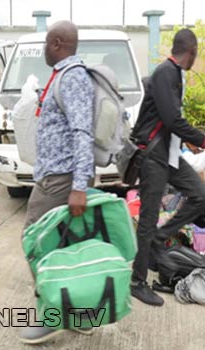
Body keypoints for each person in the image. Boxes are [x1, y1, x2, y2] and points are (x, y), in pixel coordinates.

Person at [19, 21, 95, 344]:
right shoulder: (63, 75)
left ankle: (52, 315)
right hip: (56, 176)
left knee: (37, 244)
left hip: (59, 181)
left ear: (58, 43)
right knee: (64, 247)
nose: (45, 49)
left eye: (48, 43)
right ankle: (77, 314)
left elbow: (82, 132)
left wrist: (79, 186)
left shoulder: (73, 76)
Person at [130, 28, 205, 306]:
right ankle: (137, 281)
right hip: (154, 157)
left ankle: (160, 238)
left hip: (170, 154)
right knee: (147, 218)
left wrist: (191, 141)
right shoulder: (166, 72)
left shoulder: (175, 74)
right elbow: (172, 119)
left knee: (199, 194)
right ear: (191, 51)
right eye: (196, 53)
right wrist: (201, 139)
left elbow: (172, 120)